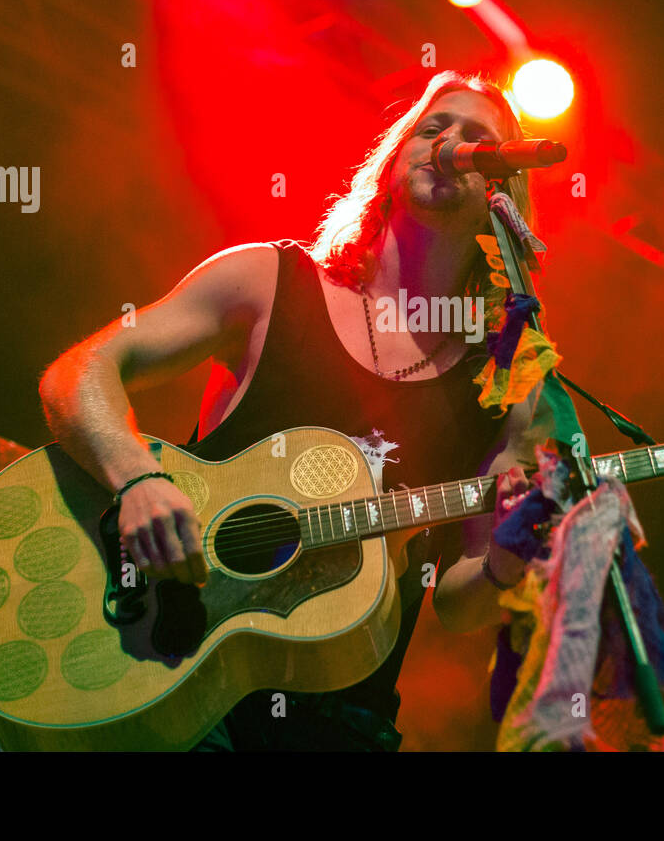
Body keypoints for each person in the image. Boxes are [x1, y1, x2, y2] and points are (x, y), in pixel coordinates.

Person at [38, 70, 553, 750]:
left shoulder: (505, 378)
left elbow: (460, 600)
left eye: (480, 141)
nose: (453, 143)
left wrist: (507, 562)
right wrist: (137, 478)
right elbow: (80, 372)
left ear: (503, 194)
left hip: (336, 724)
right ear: (394, 160)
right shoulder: (266, 281)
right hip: (175, 669)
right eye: (434, 128)